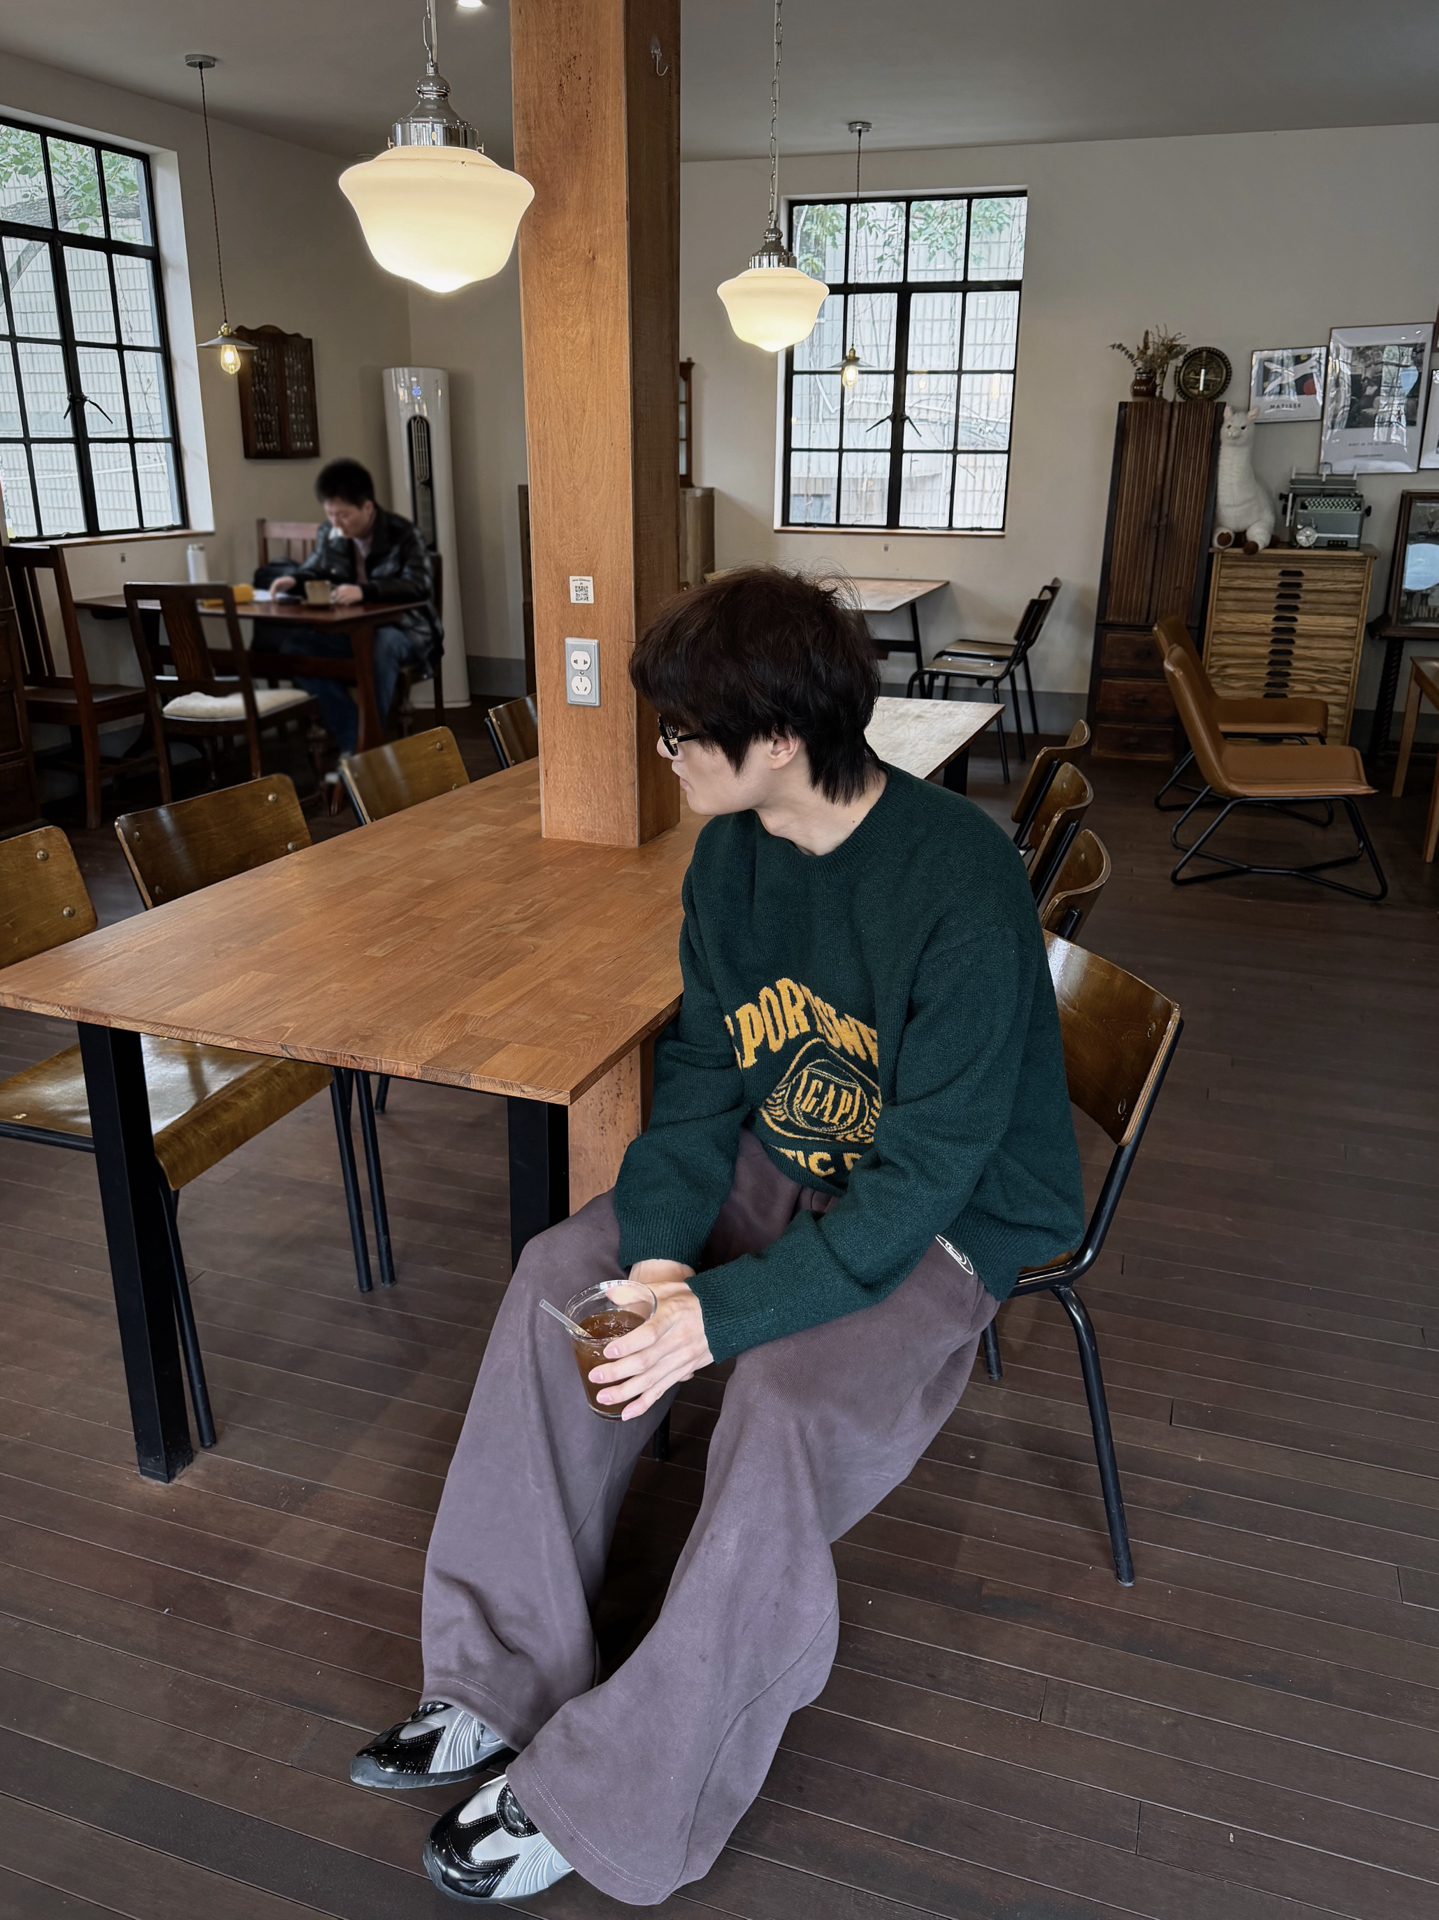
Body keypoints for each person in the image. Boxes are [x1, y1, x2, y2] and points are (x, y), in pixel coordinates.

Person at [347, 567, 1085, 1906]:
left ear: (781, 738)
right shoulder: (732, 855)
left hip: (947, 1212)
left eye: (684, 733)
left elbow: (924, 1173)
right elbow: (697, 1074)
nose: (665, 753)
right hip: (788, 1153)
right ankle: (495, 1673)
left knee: (784, 1404)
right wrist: (656, 1264)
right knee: (560, 1281)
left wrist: (717, 1322)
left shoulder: (956, 880)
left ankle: (622, 1796)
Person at [267, 457, 441, 755]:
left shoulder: (403, 534)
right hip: (350, 630)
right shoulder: (330, 533)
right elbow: (315, 569)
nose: (336, 523)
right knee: (295, 647)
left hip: (405, 629)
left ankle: (365, 746)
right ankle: (357, 736)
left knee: (381, 644)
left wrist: (365, 591)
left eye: (343, 515)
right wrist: (293, 580)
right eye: (330, 514)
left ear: (368, 508)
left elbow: (419, 584)